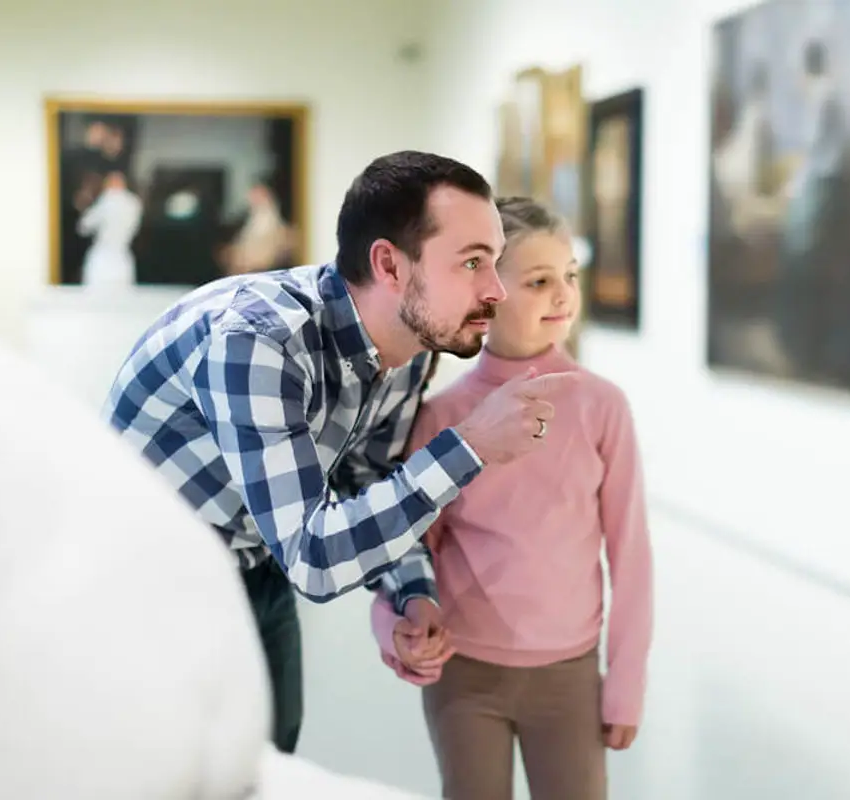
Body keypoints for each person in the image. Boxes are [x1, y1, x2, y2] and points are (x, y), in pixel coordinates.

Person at [100, 152, 579, 755]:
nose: (496, 289)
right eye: (473, 263)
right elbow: (315, 557)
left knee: (267, 762)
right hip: (144, 581)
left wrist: (412, 591)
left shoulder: (413, 340)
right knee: (171, 772)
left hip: (255, 564)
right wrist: (469, 446)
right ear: (389, 265)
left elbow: (364, 475)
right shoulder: (258, 341)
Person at [369, 197, 654, 800]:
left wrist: (624, 680)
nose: (563, 295)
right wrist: (395, 625)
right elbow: (406, 544)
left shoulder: (604, 407)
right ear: (489, 294)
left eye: (570, 276)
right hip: (463, 676)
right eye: (539, 281)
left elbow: (632, 559)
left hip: (570, 677)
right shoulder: (443, 415)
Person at [77, 170, 143, 288]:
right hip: (123, 259)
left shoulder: (107, 200)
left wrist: (86, 203)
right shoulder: (134, 203)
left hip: (102, 257)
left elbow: (84, 226)